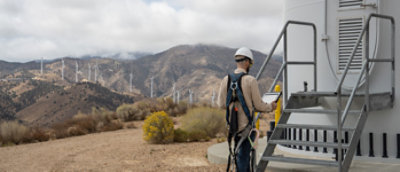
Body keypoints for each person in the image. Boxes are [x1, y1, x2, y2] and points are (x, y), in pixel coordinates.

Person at [218, 47, 277, 172]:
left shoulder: (225, 80)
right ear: (246, 62)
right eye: (250, 63)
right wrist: (270, 106)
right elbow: (259, 105)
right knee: (244, 159)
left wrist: (233, 105)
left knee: (240, 156)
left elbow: (221, 104)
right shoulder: (251, 80)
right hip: (246, 128)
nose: (250, 65)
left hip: (232, 127)